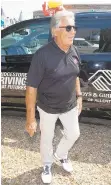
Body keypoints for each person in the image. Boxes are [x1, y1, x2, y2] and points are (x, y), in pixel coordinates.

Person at [25, 10, 82, 184]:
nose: (73, 31)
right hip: (48, 108)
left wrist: (79, 96)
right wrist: (30, 118)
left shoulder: (74, 50)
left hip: (70, 105)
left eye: (75, 28)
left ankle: (61, 154)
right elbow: (31, 88)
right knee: (46, 138)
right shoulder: (42, 55)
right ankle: (47, 164)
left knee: (74, 134)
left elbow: (76, 75)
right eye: (69, 28)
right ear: (55, 31)